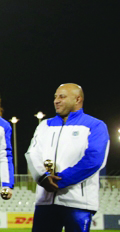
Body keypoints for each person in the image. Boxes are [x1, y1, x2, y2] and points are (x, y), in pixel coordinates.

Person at [25, 83, 108, 232]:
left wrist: (60, 180)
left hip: (78, 202)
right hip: (45, 201)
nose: (56, 100)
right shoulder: (44, 125)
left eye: (62, 96)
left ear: (77, 99)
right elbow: (32, 154)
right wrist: (43, 178)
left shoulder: (95, 125)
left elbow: (94, 160)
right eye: (55, 97)